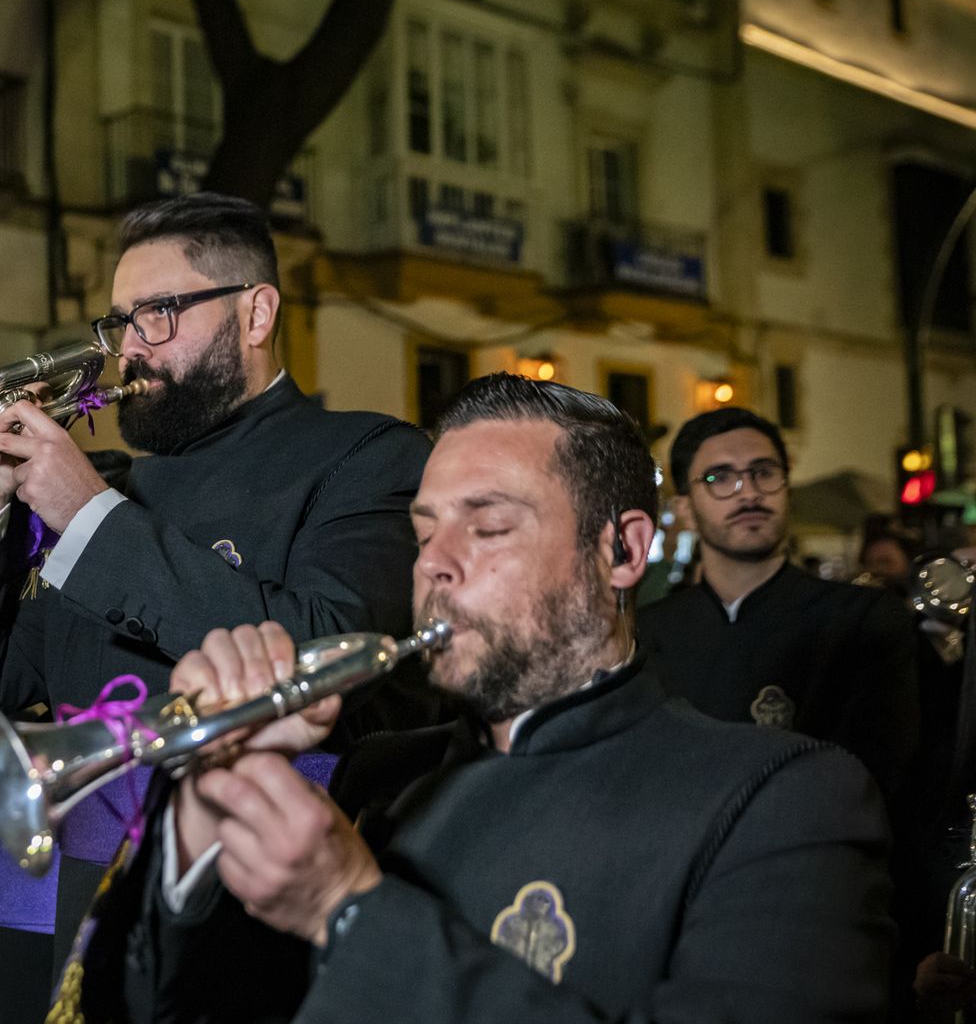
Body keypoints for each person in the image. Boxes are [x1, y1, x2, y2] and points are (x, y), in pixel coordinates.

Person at [70, 374, 894, 1023]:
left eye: (488, 527)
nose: (433, 565)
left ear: (622, 549)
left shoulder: (787, 797)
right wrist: (212, 810)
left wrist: (351, 913)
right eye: (425, 533)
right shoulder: (379, 780)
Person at [0, 192, 440, 989]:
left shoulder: (367, 454)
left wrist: (87, 515)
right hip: (65, 896)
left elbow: (329, 650)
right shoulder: (123, 487)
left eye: (158, 312)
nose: (129, 348)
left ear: (256, 313)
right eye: (119, 322)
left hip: (238, 901)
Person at [638, 408, 919, 794]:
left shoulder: (864, 622)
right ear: (685, 508)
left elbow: (888, 780)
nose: (749, 492)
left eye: (763, 473)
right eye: (720, 477)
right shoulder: (646, 634)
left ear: (786, 488)